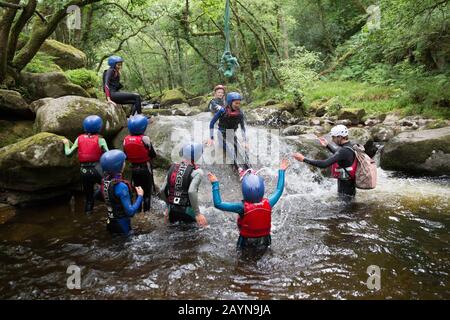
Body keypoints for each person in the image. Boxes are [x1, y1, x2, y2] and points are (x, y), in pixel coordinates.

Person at [208, 159, 289, 250]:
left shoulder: (241, 207)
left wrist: (215, 184)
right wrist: (282, 171)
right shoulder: (269, 203)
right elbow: (279, 190)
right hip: (265, 240)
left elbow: (218, 204)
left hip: (245, 241)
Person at [292, 125, 357, 200]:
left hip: (346, 191)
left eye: (333, 137)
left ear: (340, 137)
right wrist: (327, 146)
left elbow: (324, 164)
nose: (332, 140)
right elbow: (339, 155)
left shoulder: (344, 150)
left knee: (345, 208)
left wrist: (303, 159)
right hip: (350, 187)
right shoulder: (350, 146)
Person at [63, 115, 109, 214]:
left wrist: (66, 143)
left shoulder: (79, 139)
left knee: (88, 199)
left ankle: (88, 215)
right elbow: (109, 156)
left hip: (84, 171)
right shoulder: (101, 140)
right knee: (108, 189)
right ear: (99, 127)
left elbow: (68, 154)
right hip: (97, 169)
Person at [159, 143, 207, 227]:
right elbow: (191, 192)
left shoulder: (172, 167)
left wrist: (168, 206)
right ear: (197, 156)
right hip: (187, 212)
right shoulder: (197, 172)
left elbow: (162, 190)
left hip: (172, 210)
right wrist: (198, 214)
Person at [100, 150, 144, 235]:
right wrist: (140, 196)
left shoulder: (104, 182)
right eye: (123, 162)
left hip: (110, 223)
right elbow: (130, 212)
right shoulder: (121, 186)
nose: (125, 163)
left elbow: (97, 195)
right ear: (119, 166)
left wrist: (112, 201)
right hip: (122, 225)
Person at [207, 92, 249, 170]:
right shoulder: (222, 111)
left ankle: (247, 167)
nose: (238, 105)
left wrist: (245, 141)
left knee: (239, 149)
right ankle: (237, 169)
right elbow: (212, 123)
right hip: (221, 133)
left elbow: (243, 128)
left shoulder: (240, 113)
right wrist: (211, 137)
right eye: (236, 103)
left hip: (231, 133)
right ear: (230, 102)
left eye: (239, 103)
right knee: (229, 150)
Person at [123, 114, 157, 213]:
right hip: (145, 168)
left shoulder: (125, 140)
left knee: (138, 192)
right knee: (147, 194)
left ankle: (137, 211)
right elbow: (152, 154)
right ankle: (146, 213)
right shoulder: (145, 139)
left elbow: (126, 155)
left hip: (134, 169)